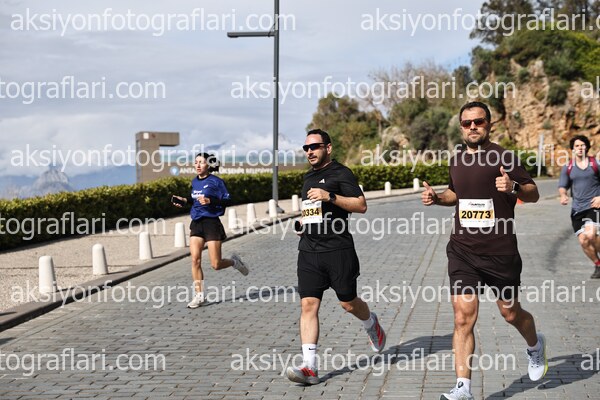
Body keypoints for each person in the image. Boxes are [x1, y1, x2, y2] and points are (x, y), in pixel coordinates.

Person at [421, 102, 548, 400]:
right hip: (462, 250)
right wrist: (438, 198)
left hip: (500, 251)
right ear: (461, 127)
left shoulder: (504, 156)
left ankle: (535, 345)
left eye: (478, 121)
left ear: (489, 124)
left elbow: (534, 193)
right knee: (462, 317)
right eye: (467, 123)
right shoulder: (457, 160)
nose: (473, 127)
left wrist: (513, 186)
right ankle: (463, 388)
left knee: (510, 313)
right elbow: (456, 193)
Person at [285, 128, 386, 385]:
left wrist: (329, 196)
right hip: (309, 251)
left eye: (314, 147)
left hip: (338, 250)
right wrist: (303, 224)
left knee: (348, 303)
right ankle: (310, 367)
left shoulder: (342, 173)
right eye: (306, 148)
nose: (310, 152)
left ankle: (370, 322)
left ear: (328, 148)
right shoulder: (308, 177)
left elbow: (361, 205)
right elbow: (312, 211)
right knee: (308, 305)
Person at [172, 152, 249, 308]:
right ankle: (200, 296)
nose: (198, 165)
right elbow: (195, 199)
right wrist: (184, 200)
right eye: (196, 162)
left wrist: (211, 200)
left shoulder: (216, 181)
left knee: (216, 264)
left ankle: (234, 262)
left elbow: (228, 200)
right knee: (195, 260)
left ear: (208, 165)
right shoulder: (194, 181)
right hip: (197, 222)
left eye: (201, 162)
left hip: (211, 223)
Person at [558, 135, 600, 279]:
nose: (580, 148)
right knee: (583, 240)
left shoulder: (596, 164)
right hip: (577, 209)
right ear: (572, 149)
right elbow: (563, 186)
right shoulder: (568, 167)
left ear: (587, 147)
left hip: (594, 206)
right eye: (577, 146)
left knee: (591, 235)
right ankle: (598, 265)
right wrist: (563, 195)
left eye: (582, 145)